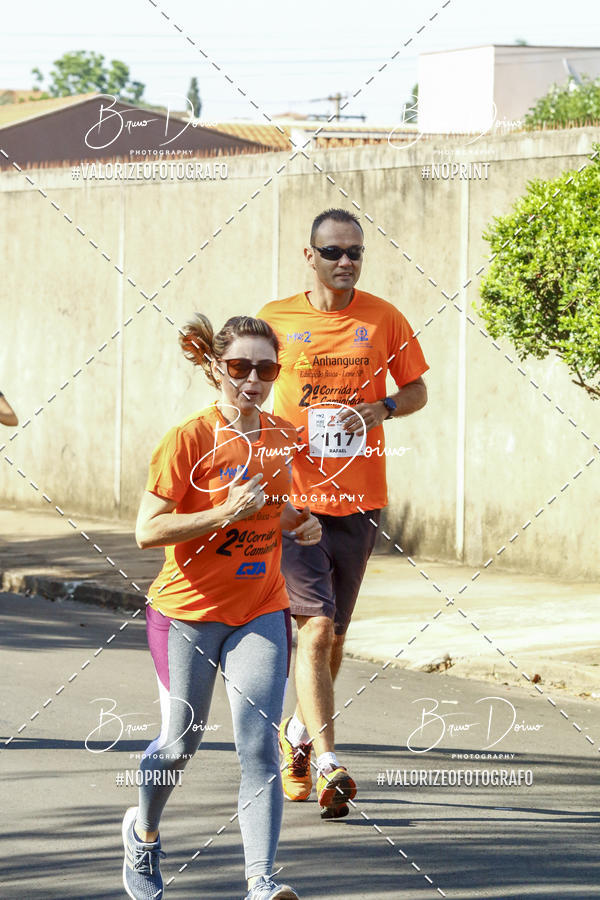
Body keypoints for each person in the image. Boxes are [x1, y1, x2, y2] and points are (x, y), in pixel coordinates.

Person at [121, 314, 322, 900]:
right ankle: (145, 833)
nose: (253, 380)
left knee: (258, 746)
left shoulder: (283, 437)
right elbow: (146, 531)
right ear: (216, 369)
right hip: (186, 612)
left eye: (266, 368)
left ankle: (262, 883)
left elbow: (276, 510)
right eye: (240, 368)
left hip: (260, 607)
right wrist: (220, 513)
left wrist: (299, 524)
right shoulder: (187, 440)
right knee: (180, 742)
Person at [257, 208, 429, 820]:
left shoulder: (384, 318)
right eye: (332, 251)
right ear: (310, 256)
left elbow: (417, 390)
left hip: (359, 500)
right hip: (297, 501)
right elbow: (244, 379)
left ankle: (297, 737)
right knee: (315, 630)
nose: (346, 261)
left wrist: (380, 410)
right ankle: (329, 761)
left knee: (335, 639)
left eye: (355, 251)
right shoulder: (276, 320)